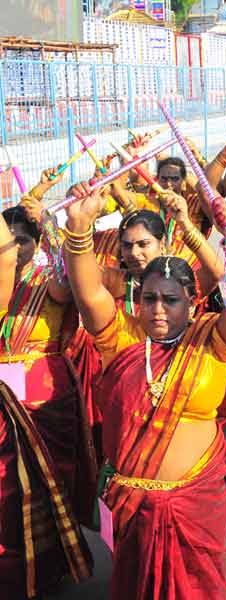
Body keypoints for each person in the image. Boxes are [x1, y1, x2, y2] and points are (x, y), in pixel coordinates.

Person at [62, 181, 226, 599]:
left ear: (192, 299)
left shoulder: (211, 339)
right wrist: (78, 230)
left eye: (171, 299)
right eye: (149, 298)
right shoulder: (123, 338)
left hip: (199, 500)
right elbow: (88, 292)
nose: (158, 309)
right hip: (135, 503)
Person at [0, 203, 94, 599]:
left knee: (50, 487)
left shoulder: (49, 280)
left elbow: (65, 282)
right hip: (6, 400)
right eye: (11, 240)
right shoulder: (3, 284)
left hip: (45, 400)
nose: (16, 249)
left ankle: (54, 564)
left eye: (23, 240)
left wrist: (53, 227)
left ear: (35, 243)